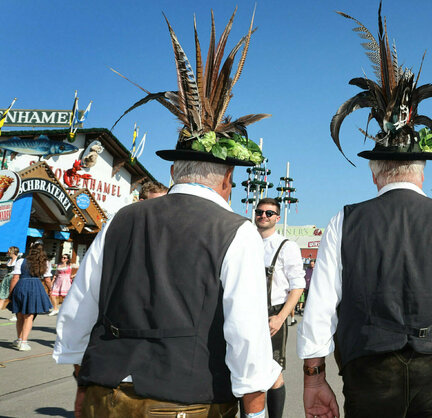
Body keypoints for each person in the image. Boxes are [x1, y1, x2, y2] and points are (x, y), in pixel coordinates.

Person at [53, 10, 281, 417]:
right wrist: (257, 406)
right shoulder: (234, 231)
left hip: (105, 396)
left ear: (175, 170)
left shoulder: (121, 219)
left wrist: (83, 382)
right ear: (228, 177)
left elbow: (78, 310)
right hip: (184, 403)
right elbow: (246, 332)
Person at [298, 6, 432, 417]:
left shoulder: (345, 220)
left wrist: (314, 375)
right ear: (421, 171)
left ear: (375, 173)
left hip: (370, 365)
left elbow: (319, 306)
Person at [254, 197, 305, 418]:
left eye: (268, 213)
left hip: (272, 315)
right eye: (259, 212)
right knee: (245, 371)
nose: (263, 216)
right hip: (247, 314)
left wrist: (281, 317)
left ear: (277, 218)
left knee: (273, 373)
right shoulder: (247, 241)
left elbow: (298, 286)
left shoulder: (286, 246)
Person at [9, 241, 53, 351]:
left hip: (21, 285)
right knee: (29, 316)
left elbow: (15, 278)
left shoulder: (21, 261)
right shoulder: (45, 262)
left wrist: (11, 292)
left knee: (19, 315)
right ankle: (23, 342)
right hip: (35, 287)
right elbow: (47, 279)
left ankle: (19, 339)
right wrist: (51, 288)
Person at [0, 246, 20, 321]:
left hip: (14, 278)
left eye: (9, 251)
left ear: (12, 252)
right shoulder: (9, 260)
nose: (7, 252)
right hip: (7, 278)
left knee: (13, 296)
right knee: (2, 295)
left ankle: (15, 314)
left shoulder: (19, 260)